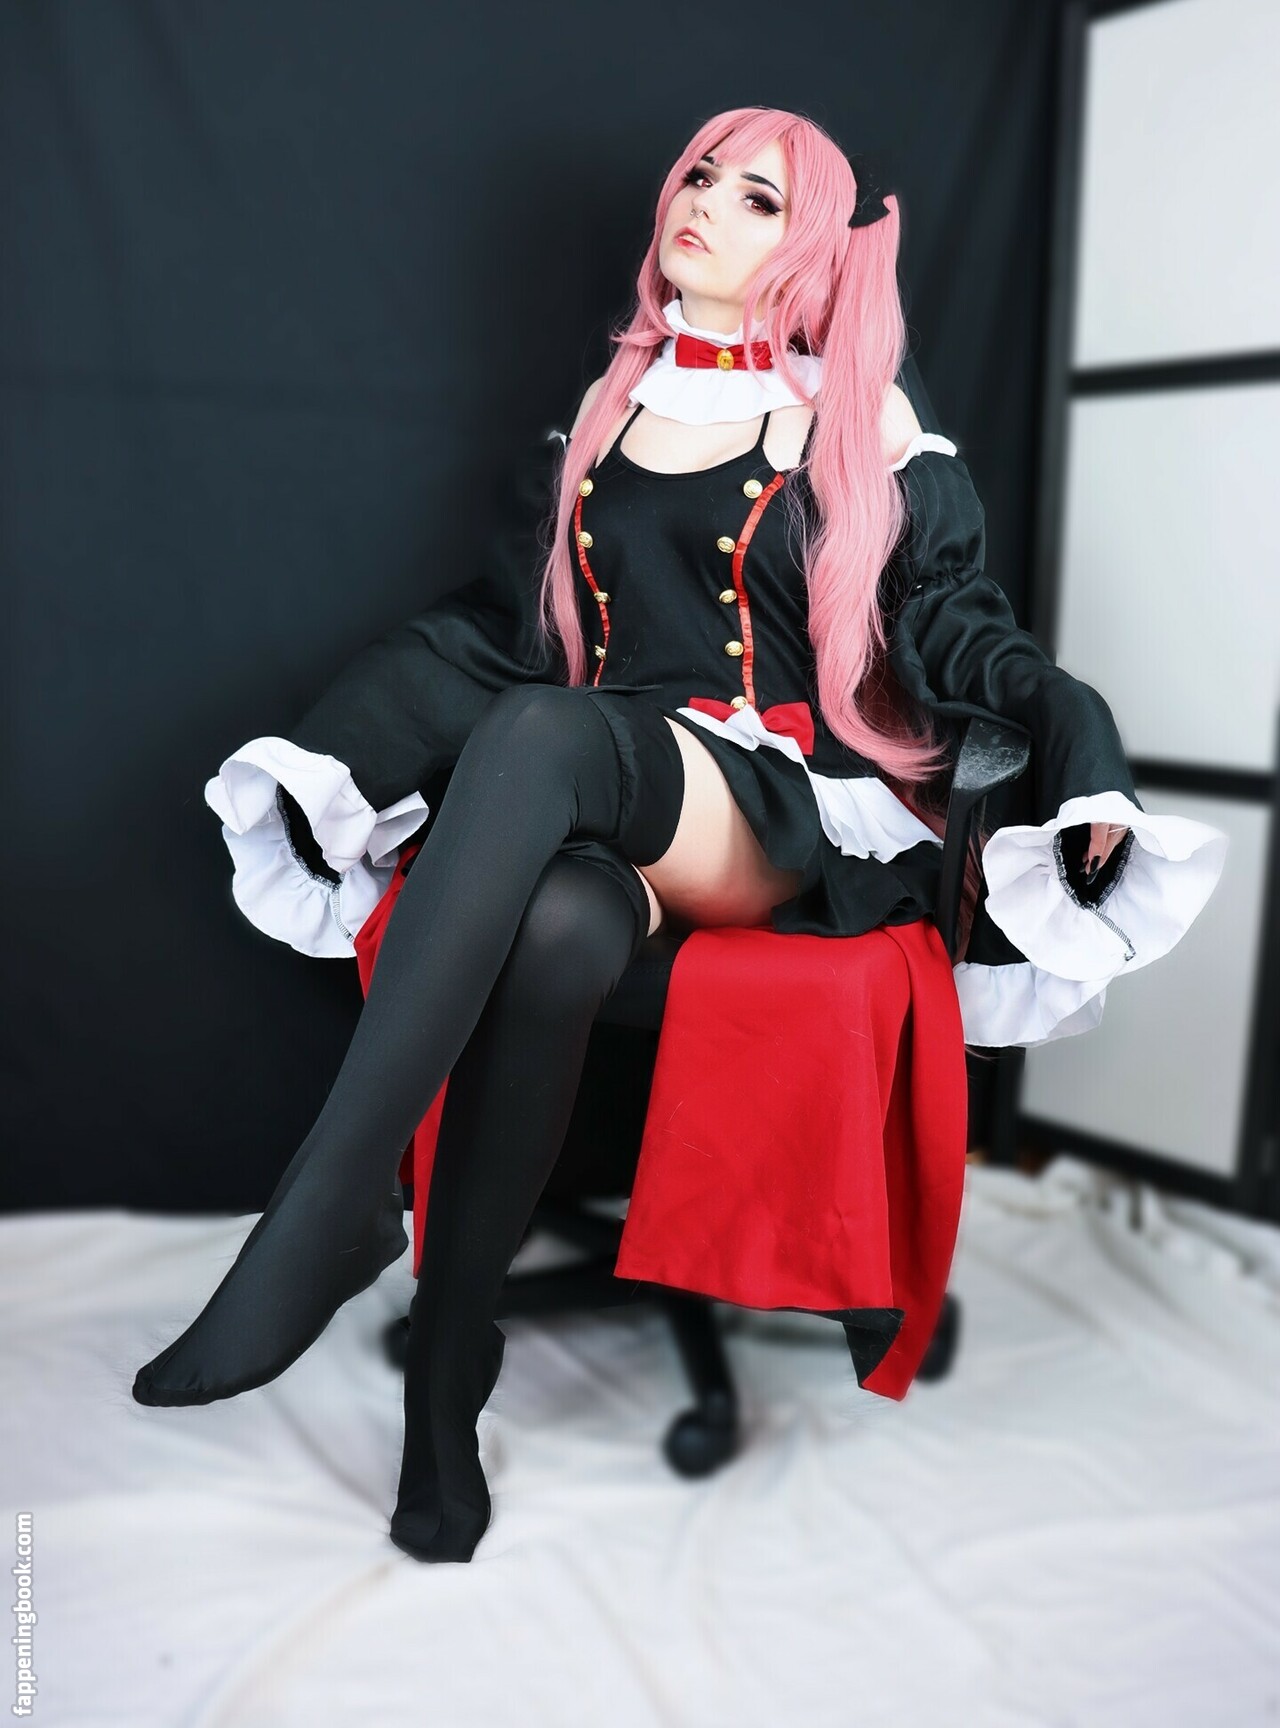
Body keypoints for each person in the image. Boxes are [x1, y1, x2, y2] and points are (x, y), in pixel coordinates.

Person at [132, 105, 1228, 1564]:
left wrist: (1080, 744)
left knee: (544, 737)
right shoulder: (605, 418)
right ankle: (443, 1404)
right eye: (701, 176)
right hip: (616, 797)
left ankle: (329, 1205)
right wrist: (333, 754)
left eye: (758, 196)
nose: (704, 202)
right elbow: (502, 635)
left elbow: (962, 632)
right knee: (557, 925)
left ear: (813, 247)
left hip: (778, 812)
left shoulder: (859, 425)